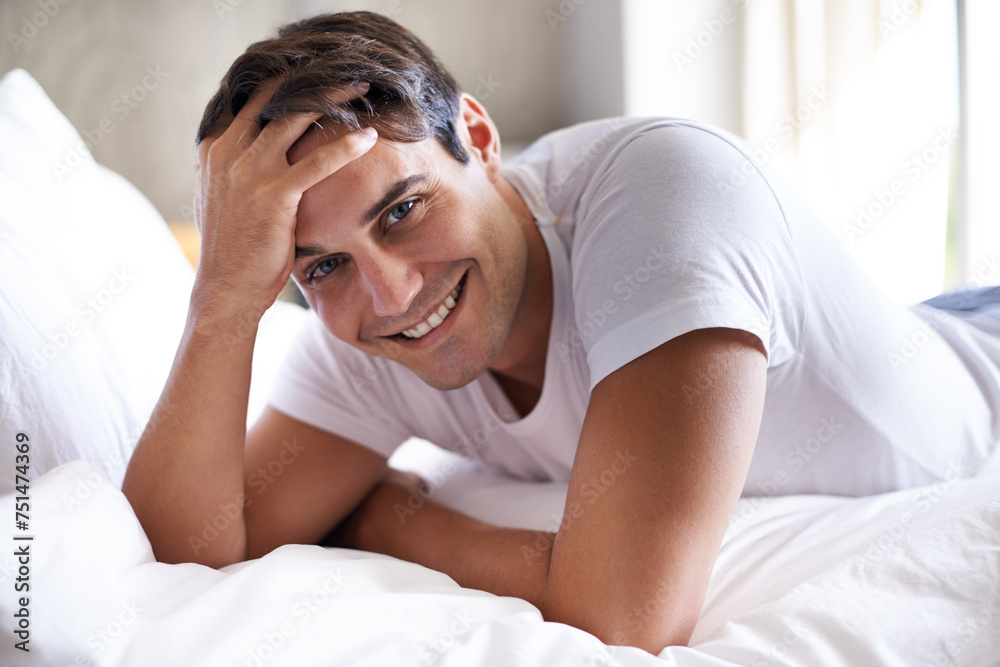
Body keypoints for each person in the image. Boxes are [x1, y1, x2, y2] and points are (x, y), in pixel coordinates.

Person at [121, 10, 1000, 654]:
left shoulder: (663, 199)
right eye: (320, 266)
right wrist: (223, 299)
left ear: (477, 137)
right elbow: (180, 554)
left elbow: (620, 617)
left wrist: (389, 520)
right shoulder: (360, 327)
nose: (392, 293)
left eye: (403, 210)